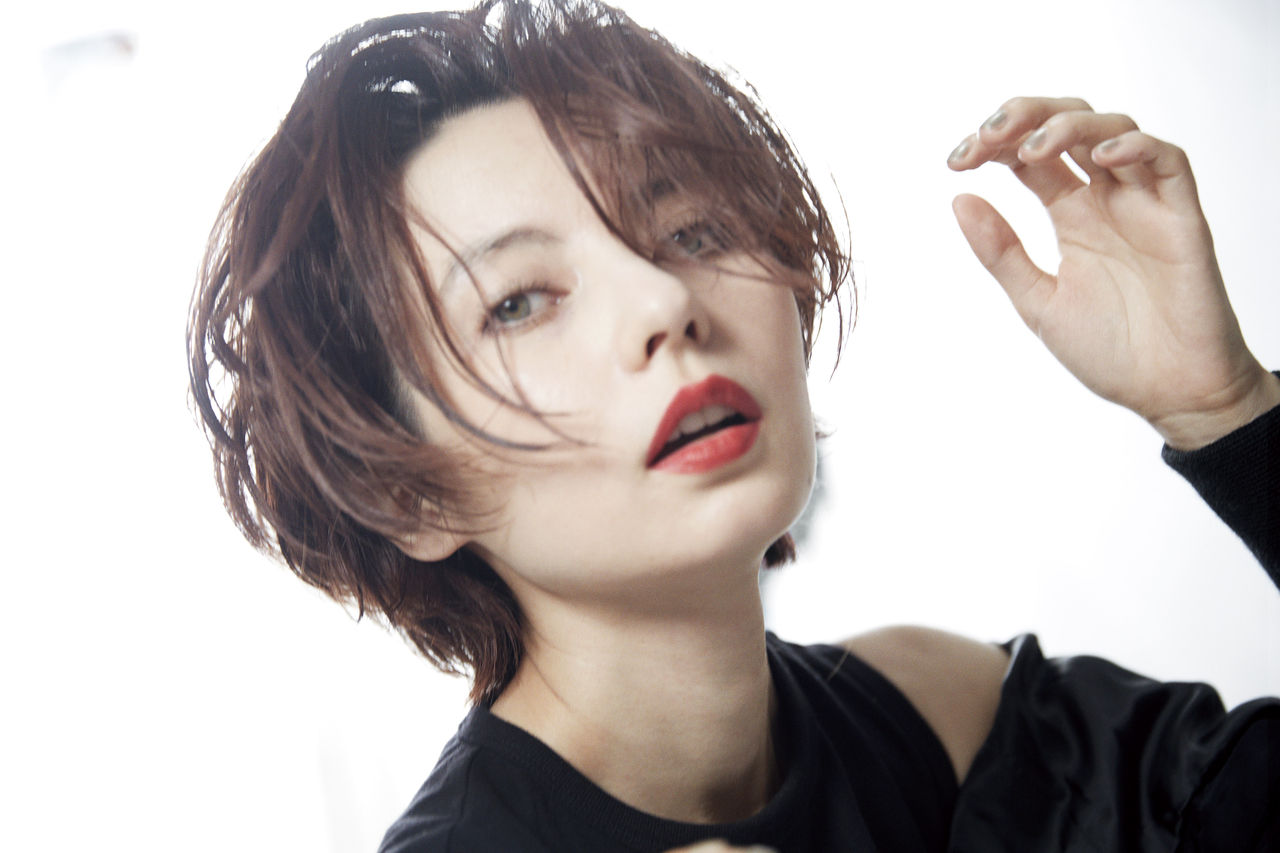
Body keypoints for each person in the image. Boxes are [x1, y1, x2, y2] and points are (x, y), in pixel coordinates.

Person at [186, 1, 1279, 850]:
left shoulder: (947, 720)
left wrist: (1227, 411)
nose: (664, 303)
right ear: (409, 490)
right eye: (517, 302)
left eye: (690, 230)